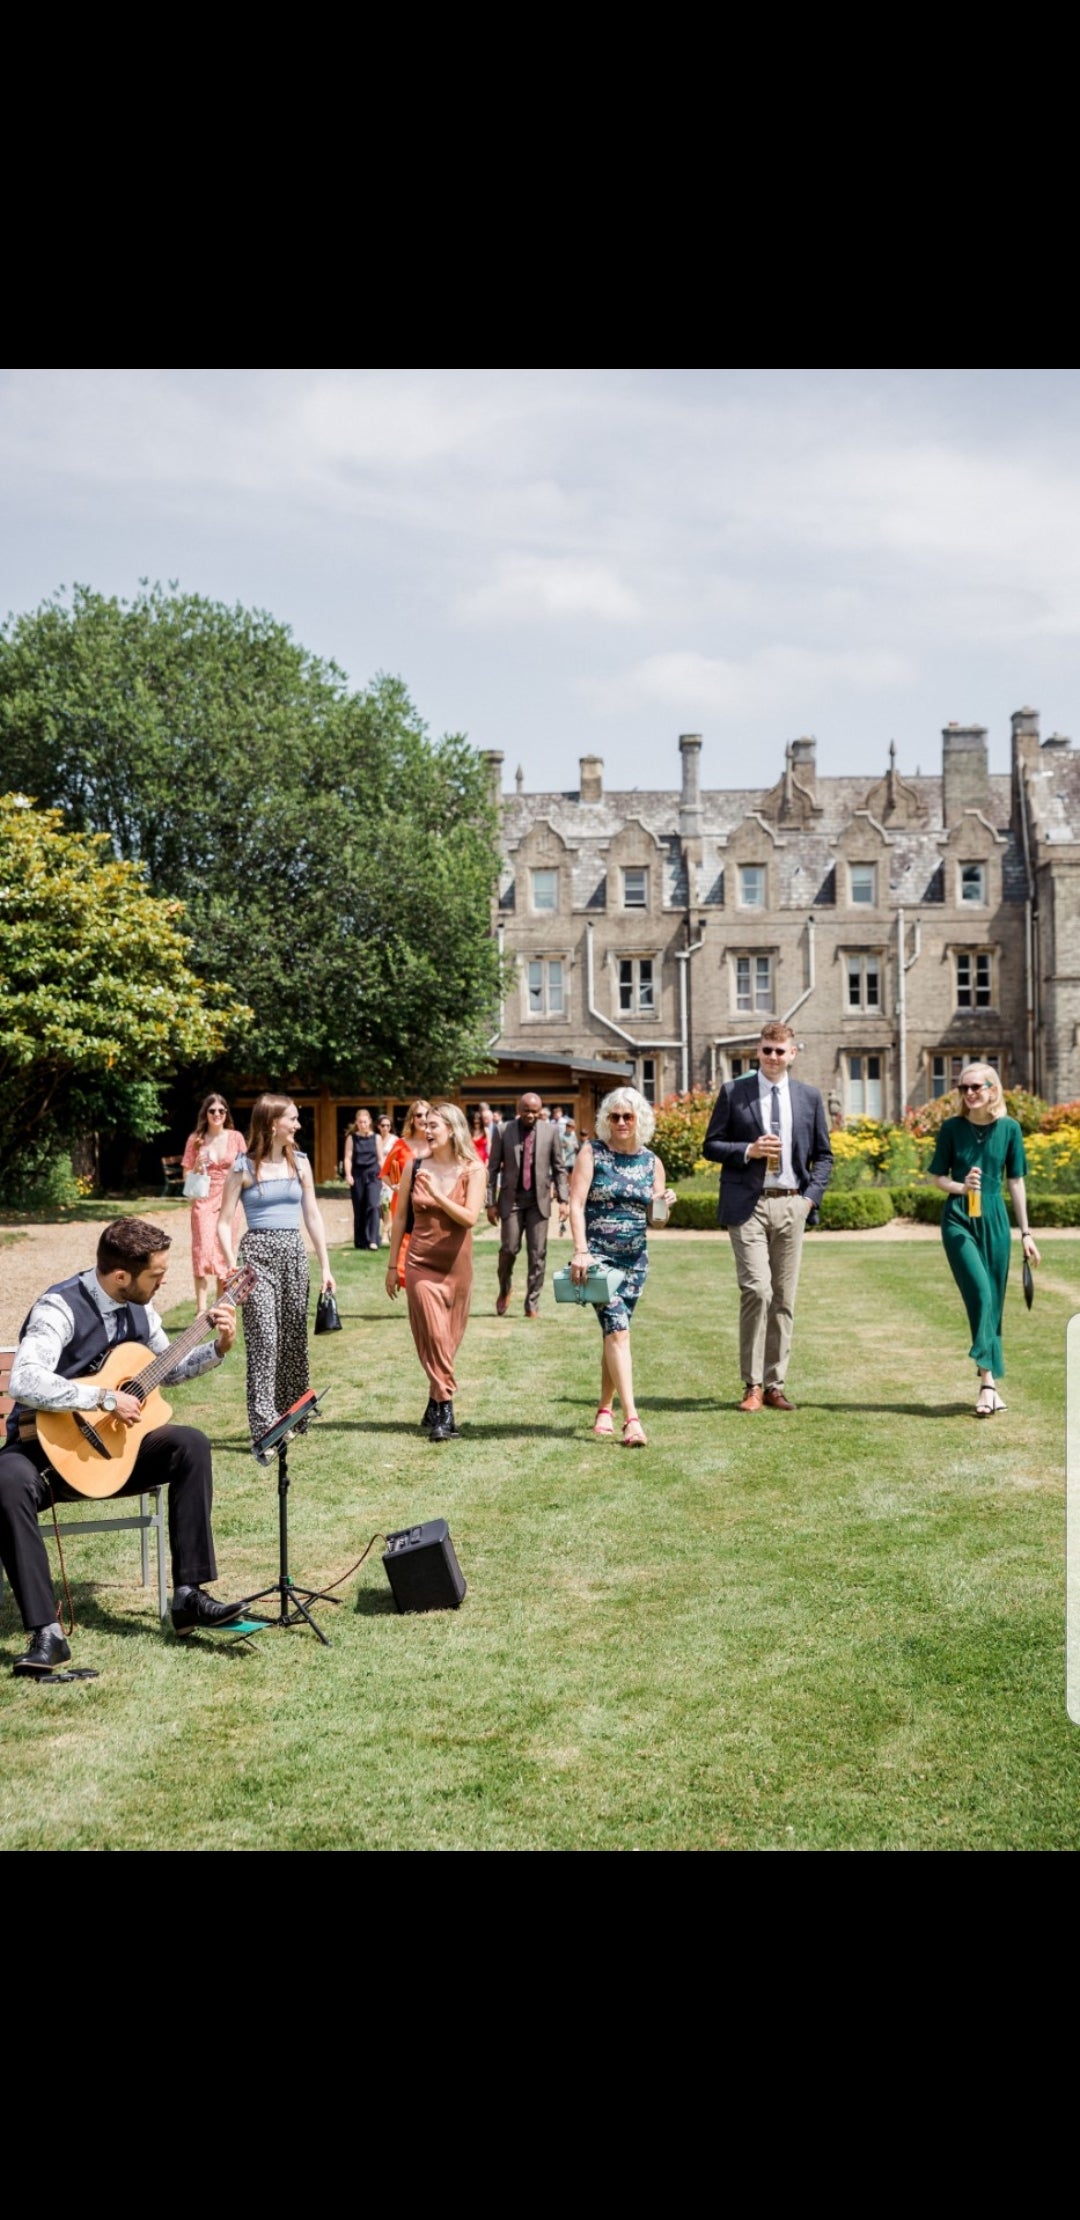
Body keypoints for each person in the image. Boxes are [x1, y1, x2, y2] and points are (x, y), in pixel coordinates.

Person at [0, 1216, 246, 1675]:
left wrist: (218, 1348)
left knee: (189, 1443)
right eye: (156, 1274)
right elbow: (25, 1380)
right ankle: (46, 1634)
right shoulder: (59, 1308)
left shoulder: (141, 1311)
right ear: (120, 1277)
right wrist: (103, 1397)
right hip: (48, 1451)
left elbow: (163, 1369)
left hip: (115, 1456)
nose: (164, 1280)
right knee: (6, 1482)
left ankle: (188, 1595)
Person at [702, 1020, 833, 1411]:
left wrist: (809, 1199)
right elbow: (711, 1145)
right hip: (748, 1204)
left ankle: (775, 1384)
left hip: (793, 1203)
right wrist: (748, 1150)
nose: (773, 1057)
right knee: (757, 1289)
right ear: (757, 1052)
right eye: (766, 1050)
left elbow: (824, 1156)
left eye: (780, 1051)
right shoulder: (734, 1092)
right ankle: (752, 1385)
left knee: (784, 1298)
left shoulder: (808, 1097)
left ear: (793, 1053)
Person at [217, 1095, 336, 1463]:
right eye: (293, 1119)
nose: (298, 1125)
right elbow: (222, 1222)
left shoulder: (300, 1163)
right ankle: (265, 1426)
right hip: (256, 1258)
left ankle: (293, 1415)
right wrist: (230, 1263)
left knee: (292, 1338)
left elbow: (312, 1215)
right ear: (272, 1124)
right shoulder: (242, 1167)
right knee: (265, 1340)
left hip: (294, 1255)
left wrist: (327, 1267)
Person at [927, 1064, 1040, 1416]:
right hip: (959, 1218)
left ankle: (988, 1383)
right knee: (980, 1292)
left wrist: (1026, 1233)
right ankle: (988, 1380)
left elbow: (1016, 1183)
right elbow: (937, 1178)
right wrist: (962, 1187)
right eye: (963, 1088)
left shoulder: (1009, 1129)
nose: (968, 1093)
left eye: (975, 1087)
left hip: (994, 1218)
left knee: (994, 1298)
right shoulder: (951, 1128)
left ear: (993, 1088)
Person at [568, 1088, 665, 1448]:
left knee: (614, 1334)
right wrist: (581, 1251)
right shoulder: (592, 1152)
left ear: (640, 1119)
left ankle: (604, 1409)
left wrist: (663, 1203)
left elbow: (657, 1223)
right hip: (598, 1258)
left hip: (636, 1261)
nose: (621, 1123)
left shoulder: (652, 1162)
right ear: (605, 1120)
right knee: (619, 1332)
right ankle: (632, 1420)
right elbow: (576, 1204)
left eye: (628, 1116)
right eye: (614, 1116)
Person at [385, 1103, 486, 1443]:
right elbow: (400, 1219)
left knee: (448, 1341)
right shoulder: (414, 1166)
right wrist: (391, 1266)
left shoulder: (474, 1169)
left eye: (434, 1126)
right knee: (434, 1336)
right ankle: (445, 1412)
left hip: (457, 1268)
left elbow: (470, 1218)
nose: (426, 1131)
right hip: (420, 1264)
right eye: (425, 1125)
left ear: (453, 1130)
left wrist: (438, 1195)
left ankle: (433, 1400)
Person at [486, 1091, 568, 1316]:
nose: (530, 1115)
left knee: (537, 1253)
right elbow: (492, 1169)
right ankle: (505, 1288)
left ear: (540, 1111)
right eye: (526, 1111)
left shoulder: (550, 1132)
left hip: (538, 1202)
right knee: (509, 1250)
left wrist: (563, 1200)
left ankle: (532, 1303)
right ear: (518, 1110)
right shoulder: (503, 1131)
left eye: (535, 1111)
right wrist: (490, 1202)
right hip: (511, 1201)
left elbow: (559, 1169)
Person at [180, 1093, 247, 1311]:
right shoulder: (196, 1139)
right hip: (204, 1197)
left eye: (221, 1111)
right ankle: (200, 1309)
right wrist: (198, 1167)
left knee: (223, 1248)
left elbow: (245, 1168)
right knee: (202, 1250)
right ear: (205, 1114)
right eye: (212, 1111)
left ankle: (219, 1304)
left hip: (229, 1198)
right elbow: (186, 1175)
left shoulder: (236, 1137)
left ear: (226, 1114)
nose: (217, 1114)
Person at [380, 1100, 432, 1285]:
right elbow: (384, 1173)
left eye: (427, 1114)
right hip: (404, 1201)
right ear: (412, 1119)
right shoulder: (401, 1144)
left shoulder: (435, 1143)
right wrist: (395, 1186)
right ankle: (403, 1278)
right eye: (418, 1115)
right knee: (404, 1240)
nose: (423, 1118)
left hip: (430, 1200)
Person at [344, 1109, 382, 1250]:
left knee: (373, 1206)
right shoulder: (352, 1138)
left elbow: (380, 1159)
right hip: (357, 1175)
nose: (362, 1124)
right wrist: (348, 1175)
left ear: (370, 1122)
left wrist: (385, 1176)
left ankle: (373, 1239)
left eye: (365, 1122)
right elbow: (348, 1158)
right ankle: (360, 1241)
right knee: (359, 1208)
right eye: (360, 1122)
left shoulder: (376, 1138)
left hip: (373, 1175)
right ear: (356, 1123)